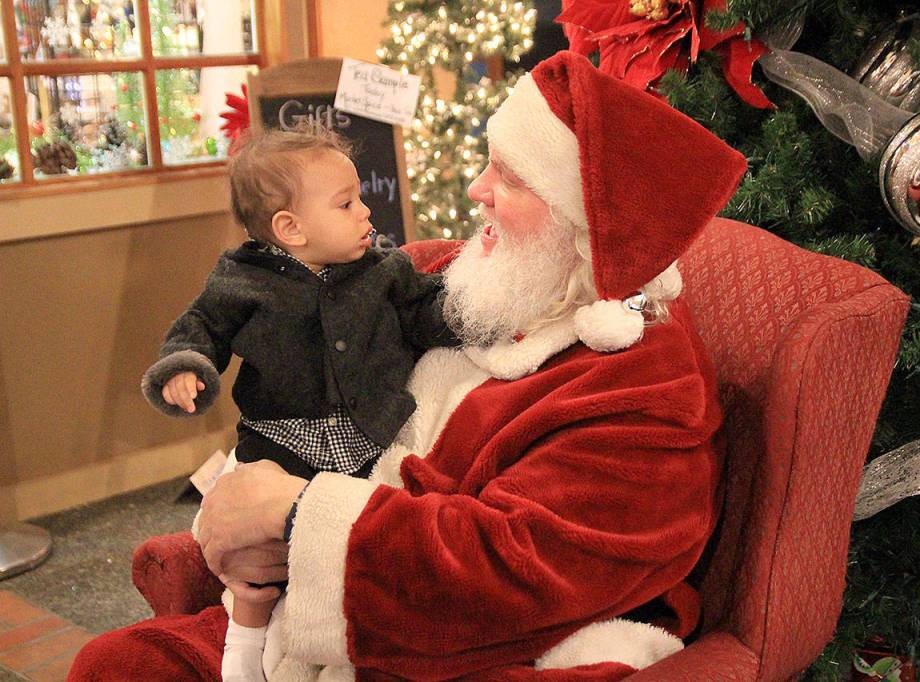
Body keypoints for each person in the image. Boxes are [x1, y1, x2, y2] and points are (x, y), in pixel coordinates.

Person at [71, 50, 747, 681]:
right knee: (118, 663)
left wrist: (295, 513)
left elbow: (527, 572)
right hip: (318, 609)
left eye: (508, 174)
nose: (477, 189)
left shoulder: (647, 384)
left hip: (448, 646)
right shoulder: (481, 290)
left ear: (581, 221)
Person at [139, 125, 459, 681]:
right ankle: (246, 635)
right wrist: (186, 367)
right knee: (260, 548)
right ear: (290, 229)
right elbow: (202, 327)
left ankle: (339, 629)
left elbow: (427, 310)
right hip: (280, 434)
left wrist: (474, 318)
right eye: (346, 203)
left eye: (360, 198)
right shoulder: (242, 280)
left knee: (352, 531)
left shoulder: (383, 270)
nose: (366, 213)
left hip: (368, 429)